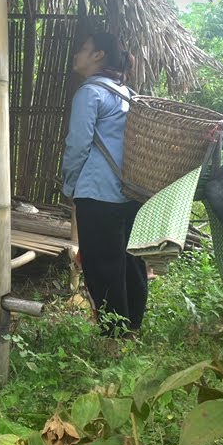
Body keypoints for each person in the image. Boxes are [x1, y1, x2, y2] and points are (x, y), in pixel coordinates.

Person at [62, 32, 148, 338]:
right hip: (129, 192)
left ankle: (114, 335)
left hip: (98, 194)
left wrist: (70, 185)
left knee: (102, 266)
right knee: (130, 262)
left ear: (98, 55)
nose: (77, 55)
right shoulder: (128, 93)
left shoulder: (90, 93)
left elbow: (78, 145)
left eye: (82, 48)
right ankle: (132, 328)